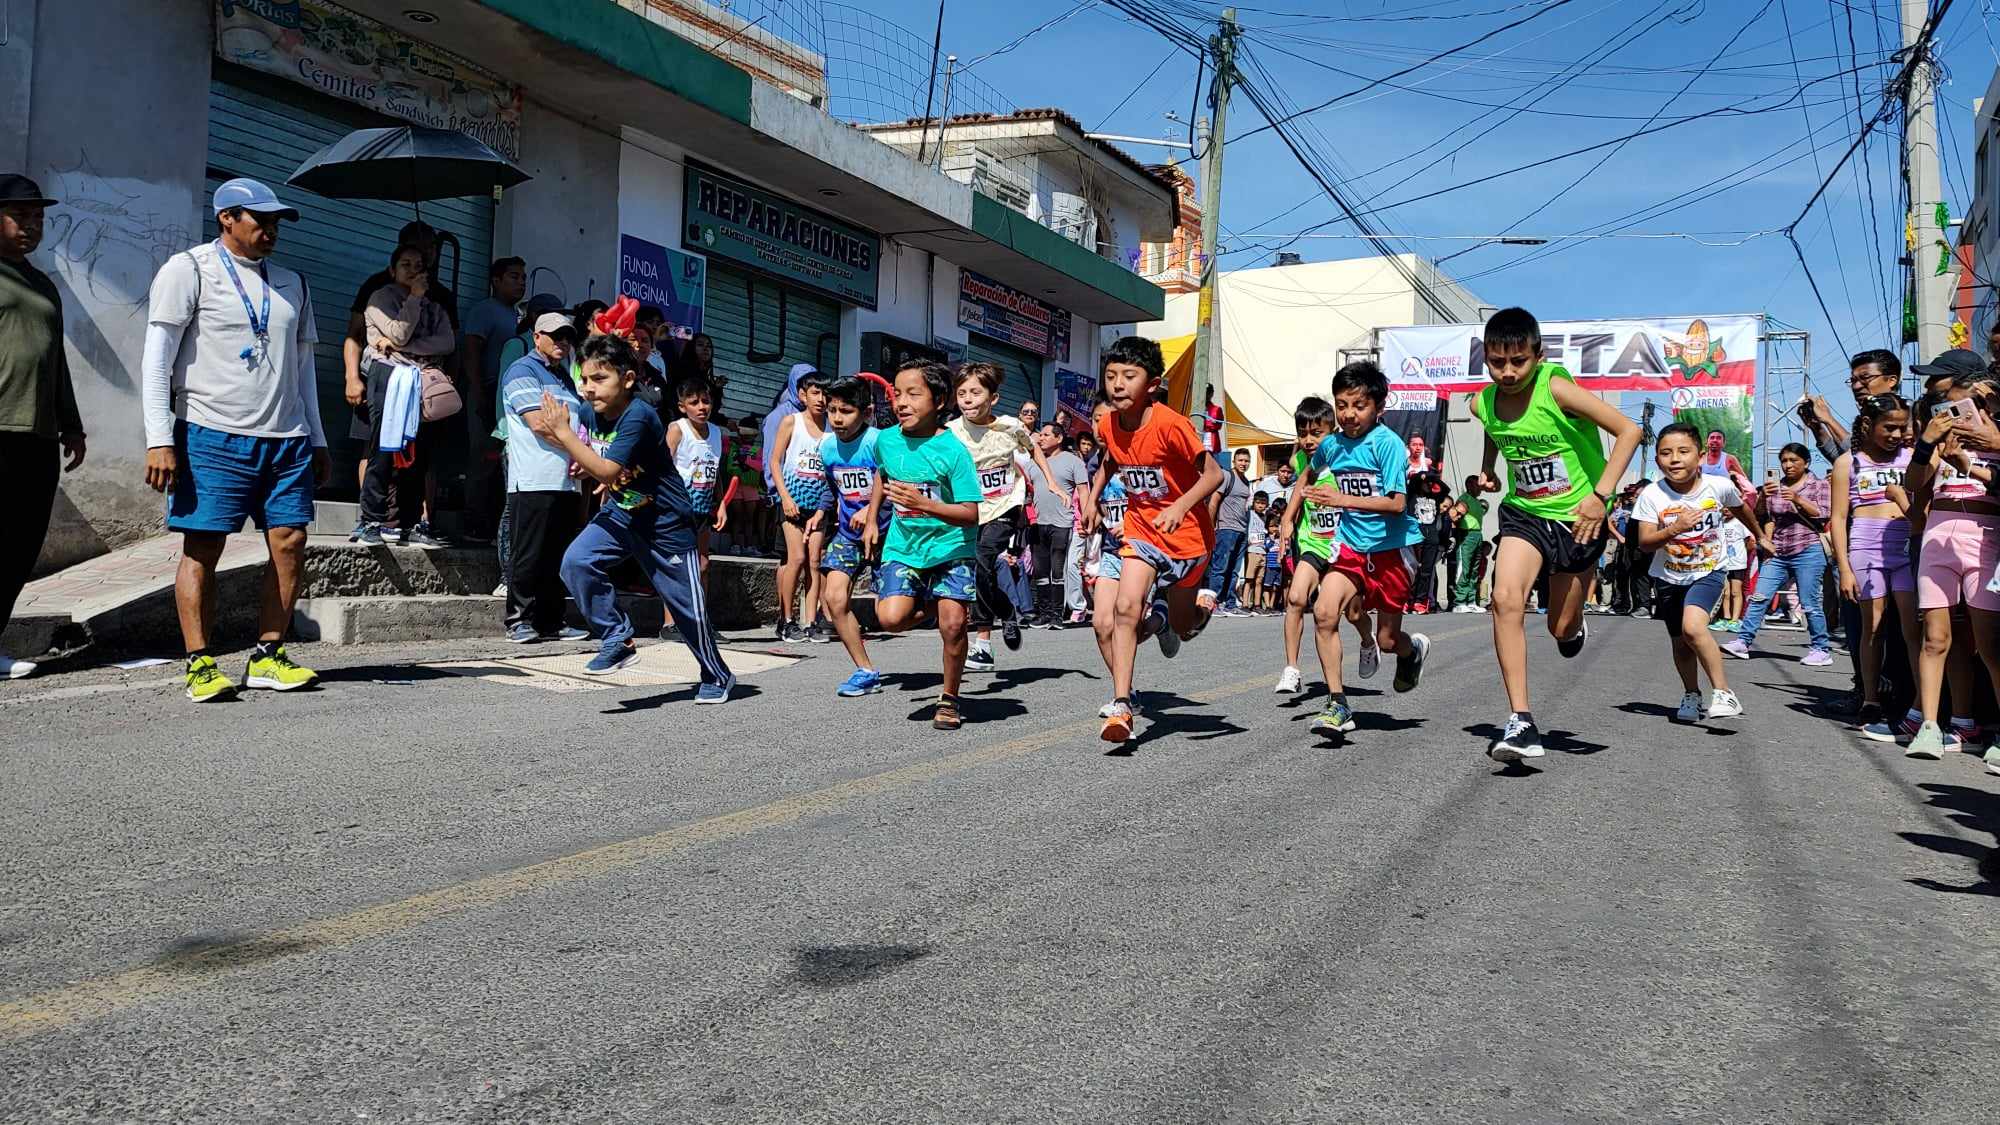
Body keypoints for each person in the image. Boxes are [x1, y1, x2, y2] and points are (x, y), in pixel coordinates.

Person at [142, 179, 328, 702]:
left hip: (286, 437)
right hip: (210, 431)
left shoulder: (294, 282)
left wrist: (316, 436)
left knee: (291, 542)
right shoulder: (189, 269)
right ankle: (200, 662)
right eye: (259, 220)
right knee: (204, 546)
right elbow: (157, 356)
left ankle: (269, 654)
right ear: (227, 218)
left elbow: (303, 365)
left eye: (275, 222)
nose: (270, 230)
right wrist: (160, 436)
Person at [1468, 307, 1642, 761]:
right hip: (1524, 515)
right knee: (1505, 599)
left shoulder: (1556, 389)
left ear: (1538, 356)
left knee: (1558, 625)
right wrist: (1488, 470)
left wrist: (1601, 496)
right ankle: (1521, 720)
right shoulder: (1481, 401)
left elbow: (1629, 430)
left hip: (1578, 520)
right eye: (1496, 362)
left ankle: (1572, 627)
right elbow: (1493, 427)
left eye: (1518, 362)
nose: (1507, 373)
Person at [536, 335, 734, 698]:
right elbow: (596, 458)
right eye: (584, 378)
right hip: (622, 513)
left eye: (599, 379)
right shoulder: (588, 412)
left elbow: (609, 470)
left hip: (665, 523)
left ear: (627, 380)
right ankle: (616, 636)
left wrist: (567, 438)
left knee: (689, 613)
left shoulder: (638, 415)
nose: (588, 388)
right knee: (576, 562)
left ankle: (716, 674)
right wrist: (583, 462)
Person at [1081, 336, 1225, 743]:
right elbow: (1112, 459)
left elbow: (1215, 475)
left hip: (1188, 540)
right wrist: (1093, 497)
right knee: (1125, 609)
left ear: (1153, 384)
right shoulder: (1109, 423)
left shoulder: (1170, 425)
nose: (1118, 384)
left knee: (1182, 627)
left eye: (1129, 376)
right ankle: (1122, 705)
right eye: (1111, 376)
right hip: (1142, 530)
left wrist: (1181, 506)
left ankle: (1197, 612)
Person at [1293, 361, 1431, 736]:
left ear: (1379, 408)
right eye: (1341, 405)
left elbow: (1397, 504)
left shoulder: (1387, 445)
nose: (1349, 414)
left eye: (1359, 406)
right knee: (1323, 612)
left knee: (1387, 640)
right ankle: (1337, 704)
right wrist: (1293, 510)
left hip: (1393, 549)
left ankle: (1410, 651)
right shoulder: (1332, 445)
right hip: (1351, 546)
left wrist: (1340, 499)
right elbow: (1307, 468)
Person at [0, 174, 86, 680]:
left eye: (38, 219)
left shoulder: (42, 282)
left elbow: (57, 360)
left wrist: (70, 423)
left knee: (19, 546)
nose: (31, 227)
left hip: (36, 434)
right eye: (20, 216)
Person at [1892, 375, 2000, 757]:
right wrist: (1927, 442)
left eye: (1967, 406)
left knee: (1989, 644)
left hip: (1985, 538)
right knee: (1935, 638)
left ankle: (1993, 733)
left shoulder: (1995, 440)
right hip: (1938, 538)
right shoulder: (1941, 442)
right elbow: (1914, 482)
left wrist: (1970, 463)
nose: (1958, 416)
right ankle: (1930, 726)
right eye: (1949, 409)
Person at [872, 359, 982, 730]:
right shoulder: (886, 441)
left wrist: (925, 505)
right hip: (904, 547)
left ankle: (949, 699)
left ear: (938, 401)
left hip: (952, 547)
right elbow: (881, 475)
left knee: (953, 627)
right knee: (890, 619)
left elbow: (970, 514)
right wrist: (871, 518)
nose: (901, 402)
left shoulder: (954, 452)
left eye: (912, 394)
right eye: (897, 394)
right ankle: (933, 603)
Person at [1631, 423, 1766, 722]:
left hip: (1709, 570)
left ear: (1701, 456)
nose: (1675, 459)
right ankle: (1691, 693)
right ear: (1657, 461)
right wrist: (1677, 528)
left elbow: (1741, 507)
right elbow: (1645, 542)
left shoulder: (1717, 486)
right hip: (1667, 575)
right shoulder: (1652, 495)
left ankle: (1724, 693)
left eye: (1683, 451)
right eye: (1666, 453)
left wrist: (1758, 533)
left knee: (1693, 628)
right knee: (1680, 642)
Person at [948, 362, 1068, 667]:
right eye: (962, 393)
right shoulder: (950, 432)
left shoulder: (1010, 426)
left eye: (975, 392)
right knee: (981, 572)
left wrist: (1052, 482)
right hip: (971, 511)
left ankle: (983, 643)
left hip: (1005, 507)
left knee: (985, 558)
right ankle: (1007, 611)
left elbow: (1035, 449)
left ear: (994, 398)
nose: (968, 399)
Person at [1274, 397, 1378, 694]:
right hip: (1314, 543)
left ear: (1331, 431)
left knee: (1353, 613)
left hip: (1344, 545)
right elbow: (1300, 484)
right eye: (1302, 433)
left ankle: (1368, 642)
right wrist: (1288, 520)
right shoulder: (1300, 461)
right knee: (1295, 598)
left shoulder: (1346, 459)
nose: (1308, 440)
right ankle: (1292, 669)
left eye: (1316, 433)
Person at [1829, 393, 1919, 735]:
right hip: (1866, 549)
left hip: (1905, 548)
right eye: (1889, 428)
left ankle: (1919, 704)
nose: (1896, 435)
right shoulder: (1847, 463)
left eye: (1901, 428)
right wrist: (1845, 569)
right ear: (1868, 425)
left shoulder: (1913, 457)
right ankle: (1870, 699)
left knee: (1913, 630)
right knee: (1874, 627)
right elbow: (1838, 519)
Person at [357, 243, 457, 548]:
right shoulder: (380, 299)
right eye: (406, 265)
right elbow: (399, 332)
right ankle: (371, 519)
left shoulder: (435, 304)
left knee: (419, 451)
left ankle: (411, 521)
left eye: (418, 265)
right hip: (389, 376)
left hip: (420, 379)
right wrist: (413, 300)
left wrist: (405, 346)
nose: (413, 271)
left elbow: (447, 342)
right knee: (383, 447)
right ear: (392, 270)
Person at [497, 312, 588, 645]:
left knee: (558, 554)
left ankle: (552, 620)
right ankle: (518, 620)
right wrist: (580, 452)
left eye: (567, 337)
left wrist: (582, 455)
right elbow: (540, 424)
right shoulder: (522, 370)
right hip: (534, 479)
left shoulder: (565, 377)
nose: (562, 342)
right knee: (529, 553)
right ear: (537, 337)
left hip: (566, 481)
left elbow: (574, 426)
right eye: (555, 336)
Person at [812, 375, 888, 697]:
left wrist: (869, 512)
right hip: (847, 534)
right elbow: (834, 489)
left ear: (867, 412)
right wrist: (820, 512)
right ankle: (865, 670)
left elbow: (897, 487)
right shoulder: (827, 447)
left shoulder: (878, 442)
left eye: (846, 411)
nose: (837, 419)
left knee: (893, 615)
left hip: (887, 534)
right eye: (832, 411)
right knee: (834, 597)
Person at [460, 256, 525, 545]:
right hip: (486, 393)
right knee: (482, 460)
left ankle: (497, 526)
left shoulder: (519, 316)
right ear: (495, 280)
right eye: (513, 276)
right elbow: (471, 352)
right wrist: (478, 393)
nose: (520, 282)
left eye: (523, 277)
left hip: (510, 399)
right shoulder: (484, 311)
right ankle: (474, 524)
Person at [770, 368, 832, 643]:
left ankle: (810, 621)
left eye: (825, 394)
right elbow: (775, 461)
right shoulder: (790, 422)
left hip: (818, 506)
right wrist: (784, 497)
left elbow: (832, 472)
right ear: (803, 395)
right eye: (815, 393)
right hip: (792, 504)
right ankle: (786, 619)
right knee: (795, 558)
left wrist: (824, 508)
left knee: (814, 563)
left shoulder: (832, 429)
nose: (821, 399)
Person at [665, 374, 736, 574]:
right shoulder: (678, 429)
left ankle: (700, 606)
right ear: (682, 407)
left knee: (702, 564)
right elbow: (663, 467)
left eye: (706, 401)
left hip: (703, 510)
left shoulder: (716, 432)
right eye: (694, 403)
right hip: (679, 509)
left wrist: (721, 504)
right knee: (677, 567)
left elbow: (715, 473)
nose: (701, 407)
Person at [1024, 423, 1089, 628]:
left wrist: (1086, 518)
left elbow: (1084, 491)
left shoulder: (1073, 462)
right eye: (1039, 435)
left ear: (1059, 438)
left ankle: (1056, 616)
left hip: (1062, 523)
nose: (1040, 438)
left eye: (1045, 435)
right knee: (1040, 571)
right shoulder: (1033, 462)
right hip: (1037, 523)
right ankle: (1043, 615)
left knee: (1057, 570)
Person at [1204, 448, 1256, 616]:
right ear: (1234, 461)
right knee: (1220, 567)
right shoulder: (1227, 476)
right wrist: (1211, 527)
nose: (1244, 464)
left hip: (1241, 531)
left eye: (1246, 461)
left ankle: (1230, 603)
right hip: (1226, 529)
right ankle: (1213, 604)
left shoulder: (1247, 482)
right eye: (1240, 460)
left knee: (1234, 570)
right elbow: (1214, 502)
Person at [1405, 469, 1453, 614]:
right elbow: (1413, 481)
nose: (1428, 485)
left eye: (1429, 484)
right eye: (1425, 484)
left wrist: (1432, 478)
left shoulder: (1436, 497)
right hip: (1414, 536)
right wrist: (1421, 477)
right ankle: (1408, 600)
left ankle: (1420, 602)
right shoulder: (1412, 495)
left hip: (1431, 538)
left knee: (1426, 571)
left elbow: (1446, 489)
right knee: (1412, 570)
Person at [1449, 475, 1489, 612]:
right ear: (1470, 485)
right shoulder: (1464, 499)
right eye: (1477, 485)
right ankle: (1459, 602)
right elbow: (1455, 513)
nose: (1480, 488)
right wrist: (1458, 513)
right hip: (1467, 535)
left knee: (1474, 570)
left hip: (1478, 534)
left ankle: (1471, 601)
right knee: (1464, 568)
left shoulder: (1477, 502)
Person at [1242, 491, 1272, 612]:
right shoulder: (1250, 514)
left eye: (1263, 503)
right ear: (1253, 503)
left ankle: (1257, 604)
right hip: (1252, 551)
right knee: (1249, 579)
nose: (1260, 505)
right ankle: (1245, 604)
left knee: (1259, 580)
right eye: (1258, 503)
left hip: (1263, 552)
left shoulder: (1265, 518)